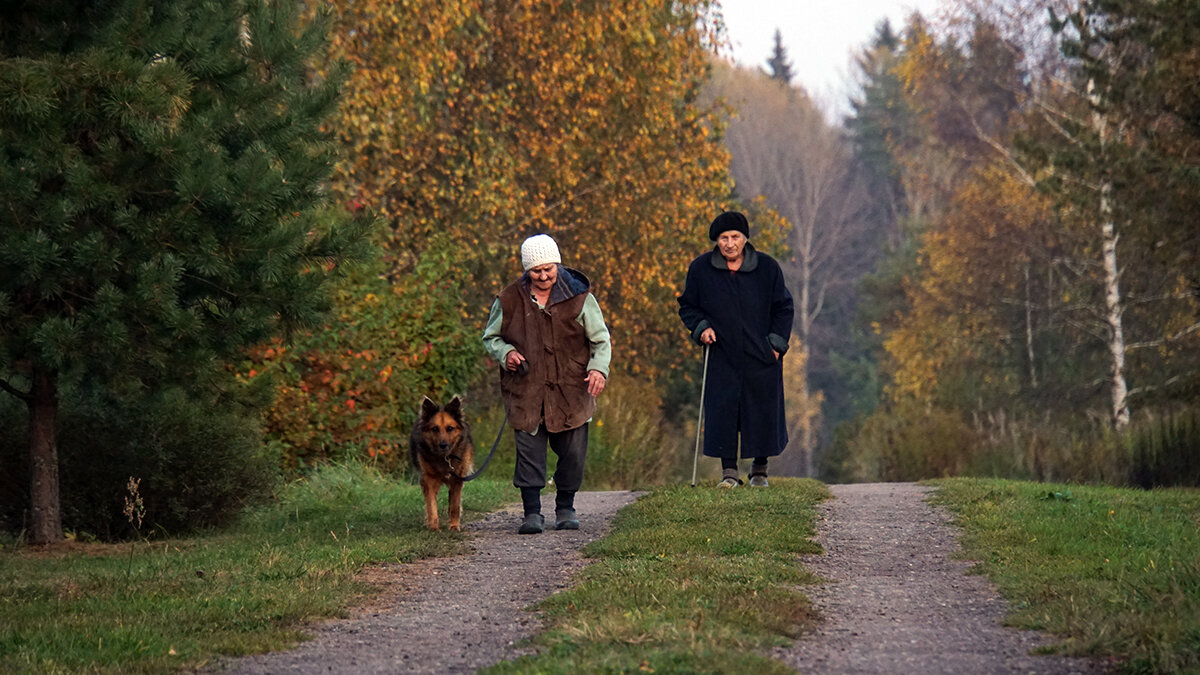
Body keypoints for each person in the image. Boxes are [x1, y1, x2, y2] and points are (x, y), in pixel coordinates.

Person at [482, 234, 611, 533]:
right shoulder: (508, 299)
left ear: (557, 264)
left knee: (573, 454)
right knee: (528, 452)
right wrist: (507, 353)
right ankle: (532, 513)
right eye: (536, 271)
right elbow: (491, 338)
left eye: (548, 269)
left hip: (572, 389)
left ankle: (565, 507)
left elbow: (601, 340)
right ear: (527, 269)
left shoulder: (580, 296)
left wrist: (598, 370)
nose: (543, 276)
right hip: (526, 389)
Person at [677, 211, 794, 487]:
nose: (729, 243)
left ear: (745, 239)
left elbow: (783, 307)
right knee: (723, 410)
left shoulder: (767, 268)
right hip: (722, 353)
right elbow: (688, 306)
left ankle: (759, 470)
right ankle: (729, 472)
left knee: (762, 409)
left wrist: (776, 346)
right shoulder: (700, 269)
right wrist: (701, 327)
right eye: (723, 238)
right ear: (716, 241)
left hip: (761, 354)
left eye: (735, 237)